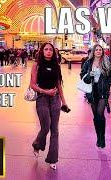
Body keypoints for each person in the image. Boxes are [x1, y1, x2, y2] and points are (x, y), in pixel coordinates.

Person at [30, 42, 69, 170]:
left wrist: (64, 101)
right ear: (42, 51)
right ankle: (37, 144)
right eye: (46, 49)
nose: (48, 51)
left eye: (50, 50)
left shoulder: (56, 66)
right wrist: (45, 91)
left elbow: (59, 85)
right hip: (42, 98)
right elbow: (33, 85)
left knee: (55, 130)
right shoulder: (37, 65)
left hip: (55, 99)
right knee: (45, 127)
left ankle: (53, 159)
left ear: (53, 52)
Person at [80, 44, 111, 149]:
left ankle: (102, 137)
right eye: (97, 50)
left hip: (103, 91)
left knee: (100, 114)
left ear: (102, 51)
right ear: (93, 52)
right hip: (91, 91)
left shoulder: (106, 62)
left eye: (100, 50)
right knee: (95, 116)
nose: (98, 51)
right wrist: (89, 75)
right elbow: (82, 75)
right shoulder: (88, 63)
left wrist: (108, 85)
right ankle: (98, 136)